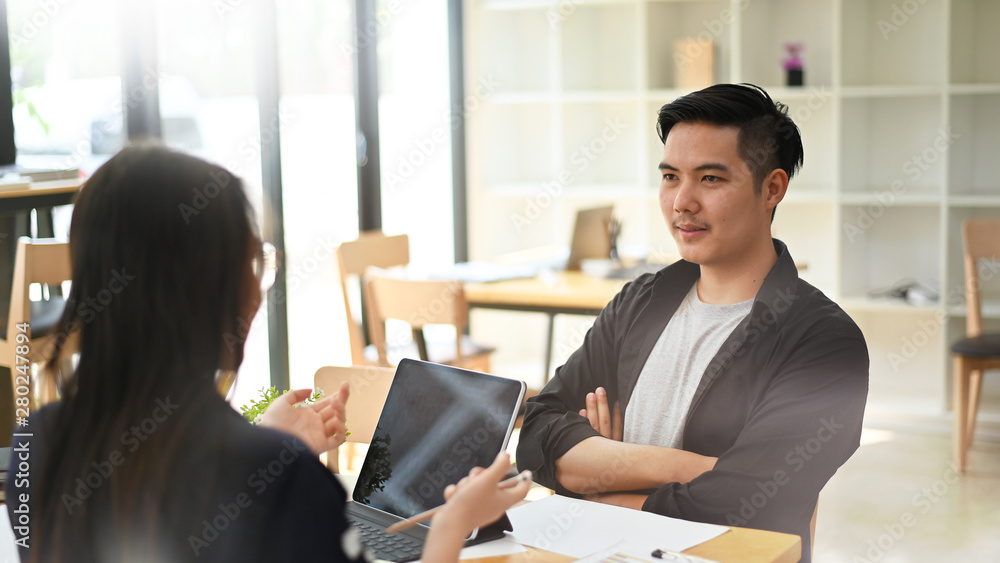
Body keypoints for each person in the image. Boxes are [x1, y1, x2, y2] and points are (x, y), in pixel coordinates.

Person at [8, 145, 530, 562]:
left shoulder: (34, 446)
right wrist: (453, 524)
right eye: (255, 261)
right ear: (217, 292)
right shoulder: (285, 484)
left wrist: (265, 445)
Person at [515, 83, 869, 560]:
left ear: (772, 188)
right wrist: (691, 466)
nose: (682, 202)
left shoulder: (826, 344)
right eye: (669, 176)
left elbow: (748, 506)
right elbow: (536, 439)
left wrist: (602, 477)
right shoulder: (638, 301)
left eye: (710, 179)